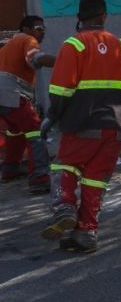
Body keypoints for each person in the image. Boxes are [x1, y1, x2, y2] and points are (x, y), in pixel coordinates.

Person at [41, 0, 121, 253]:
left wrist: (51, 117)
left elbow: (61, 91)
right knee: (96, 179)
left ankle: (64, 208)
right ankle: (86, 234)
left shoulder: (73, 45)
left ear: (78, 18)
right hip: (117, 127)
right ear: (104, 16)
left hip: (82, 124)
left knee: (64, 165)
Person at [0, 16, 56, 193]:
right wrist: (64, 61)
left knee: (15, 130)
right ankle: (40, 178)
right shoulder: (27, 39)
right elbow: (34, 58)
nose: (42, 32)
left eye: (43, 29)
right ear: (25, 29)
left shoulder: (7, 47)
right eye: (39, 28)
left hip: (5, 96)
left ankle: (10, 170)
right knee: (35, 131)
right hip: (11, 93)